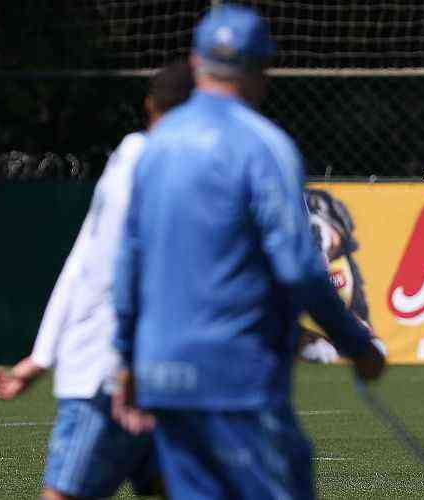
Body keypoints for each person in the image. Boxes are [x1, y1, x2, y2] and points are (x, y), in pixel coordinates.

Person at [110, 5, 385, 500]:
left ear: (196, 62)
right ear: (262, 70)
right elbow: (299, 268)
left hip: (163, 370)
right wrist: (355, 343)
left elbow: (128, 262)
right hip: (236, 374)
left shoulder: (154, 146)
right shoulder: (265, 146)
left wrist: (127, 358)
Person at [0, 61, 195, 500]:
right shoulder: (155, 173)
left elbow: (80, 265)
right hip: (113, 377)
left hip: (139, 374)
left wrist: (40, 357)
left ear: (149, 106)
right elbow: (119, 272)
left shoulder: (134, 162)